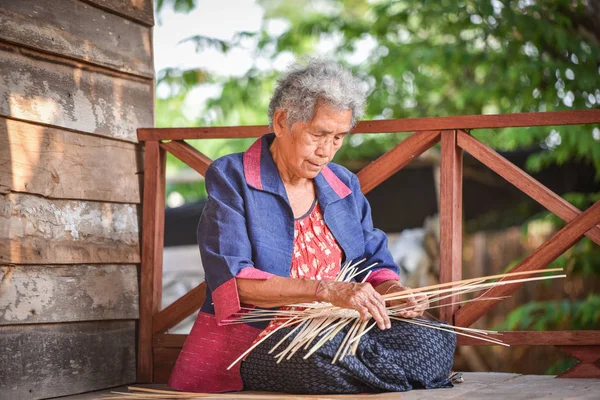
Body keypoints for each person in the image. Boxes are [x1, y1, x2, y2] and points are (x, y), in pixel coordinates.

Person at [168, 59, 456, 394]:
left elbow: (374, 263)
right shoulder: (234, 178)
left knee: (435, 338)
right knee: (317, 359)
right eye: (318, 134)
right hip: (267, 337)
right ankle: (389, 375)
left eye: (337, 138)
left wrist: (395, 295)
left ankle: (371, 373)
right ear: (281, 121)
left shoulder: (342, 185)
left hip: (344, 329)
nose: (326, 151)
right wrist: (326, 290)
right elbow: (234, 281)